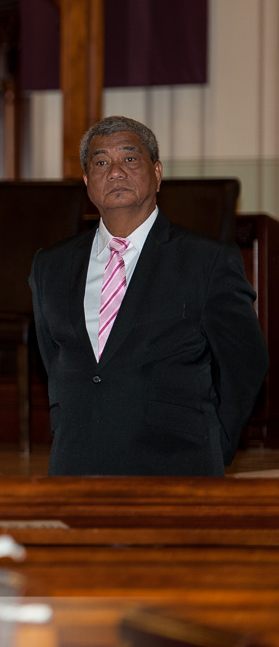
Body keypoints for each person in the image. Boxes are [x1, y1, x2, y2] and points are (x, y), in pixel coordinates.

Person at [29, 115, 269, 476]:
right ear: (87, 181)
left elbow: (244, 362)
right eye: (100, 162)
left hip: (176, 461)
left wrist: (214, 442)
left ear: (157, 173)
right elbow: (54, 357)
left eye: (129, 158)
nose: (115, 171)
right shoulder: (52, 265)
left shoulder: (206, 260)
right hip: (76, 460)